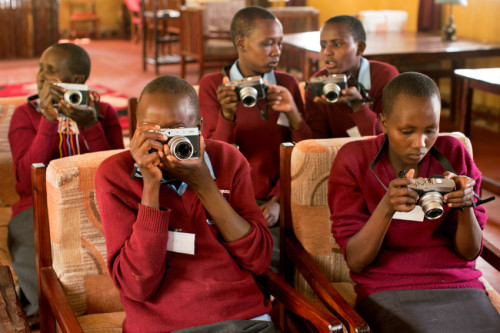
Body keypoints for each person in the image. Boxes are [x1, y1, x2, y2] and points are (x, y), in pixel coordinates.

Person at [95, 75, 275, 332]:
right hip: (163, 326)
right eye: (152, 131)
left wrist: (203, 184)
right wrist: (150, 186)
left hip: (241, 319)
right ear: (135, 128)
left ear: (199, 126)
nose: (164, 143)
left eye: (177, 131)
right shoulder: (115, 175)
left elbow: (258, 260)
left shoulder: (228, 160)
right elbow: (137, 286)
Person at [328, 72, 500, 332]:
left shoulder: (453, 153)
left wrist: (465, 207)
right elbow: (356, 261)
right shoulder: (355, 160)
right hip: (386, 288)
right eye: (407, 131)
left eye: (431, 130)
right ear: (384, 122)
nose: (420, 144)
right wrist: (386, 207)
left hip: (457, 285)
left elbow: (469, 252)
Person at [8, 42, 124, 318]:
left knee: (117, 251)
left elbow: (115, 172)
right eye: (40, 68)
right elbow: (26, 181)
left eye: (50, 70)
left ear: (76, 80)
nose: (40, 76)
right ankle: (46, 315)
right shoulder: (26, 114)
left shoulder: (103, 112)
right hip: (36, 205)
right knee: (30, 253)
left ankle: (104, 310)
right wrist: (49, 120)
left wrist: (90, 126)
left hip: (96, 204)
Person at [198, 6, 308, 270]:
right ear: (241, 43)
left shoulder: (287, 84)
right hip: (231, 199)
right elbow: (212, 158)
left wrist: (294, 114)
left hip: (279, 198)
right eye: (268, 43)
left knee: (282, 258)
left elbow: (305, 151)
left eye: (279, 43)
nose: (276, 51)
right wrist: (227, 114)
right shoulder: (214, 85)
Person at [304, 15, 399, 139]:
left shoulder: (384, 76)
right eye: (323, 45)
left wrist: (358, 105)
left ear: (360, 48)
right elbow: (316, 142)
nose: (327, 52)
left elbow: (388, 138)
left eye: (337, 44)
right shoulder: (316, 84)